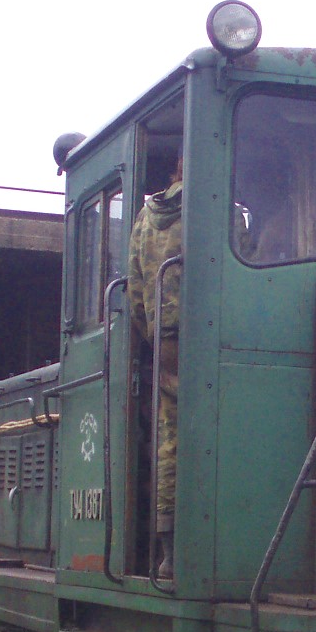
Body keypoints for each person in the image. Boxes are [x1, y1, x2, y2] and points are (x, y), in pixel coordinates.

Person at [127, 161, 182, 579]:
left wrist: (155, 338)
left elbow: (133, 293)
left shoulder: (145, 219)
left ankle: (170, 553)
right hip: (210, 334)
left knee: (171, 436)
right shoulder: (221, 210)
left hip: (164, 339)